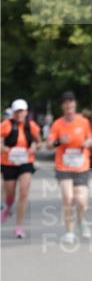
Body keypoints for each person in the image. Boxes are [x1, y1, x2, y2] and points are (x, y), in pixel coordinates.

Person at [46, 92, 92, 244]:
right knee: (68, 198)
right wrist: (59, 141)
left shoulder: (83, 122)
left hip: (81, 166)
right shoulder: (57, 124)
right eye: (65, 103)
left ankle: (81, 221)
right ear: (62, 107)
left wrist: (88, 143)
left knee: (81, 201)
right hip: (64, 166)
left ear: (75, 105)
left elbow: (91, 139)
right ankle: (69, 232)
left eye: (71, 103)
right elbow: (49, 144)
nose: (69, 106)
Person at [1, 99, 42, 238]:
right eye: (17, 111)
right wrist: (4, 148)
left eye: (22, 111)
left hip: (26, 161)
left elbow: (38, 142)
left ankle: (18, 226)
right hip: (9, 162)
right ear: (13, 112)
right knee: (10, 193)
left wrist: (34, 147)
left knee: (24, 192)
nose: (20, 114)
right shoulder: (6, 125)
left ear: (26, 112)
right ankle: (7, 206)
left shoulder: (31, 126)